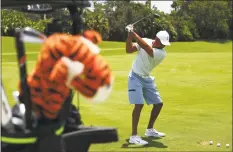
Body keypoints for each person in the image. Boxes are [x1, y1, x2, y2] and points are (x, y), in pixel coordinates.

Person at [125, 24, 171, 145]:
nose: (163, 45)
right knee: (139, 105)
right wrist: (129, 36)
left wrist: (133, 33)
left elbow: (147, 48)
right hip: (135, 76)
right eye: (162, 43)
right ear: (156, 39)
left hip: (146, 78)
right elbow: (129, 50)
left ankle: (150, 130)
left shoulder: (161, 53)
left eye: (165, 44)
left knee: (158, 104)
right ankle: (134, 136)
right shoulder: (145, 40)